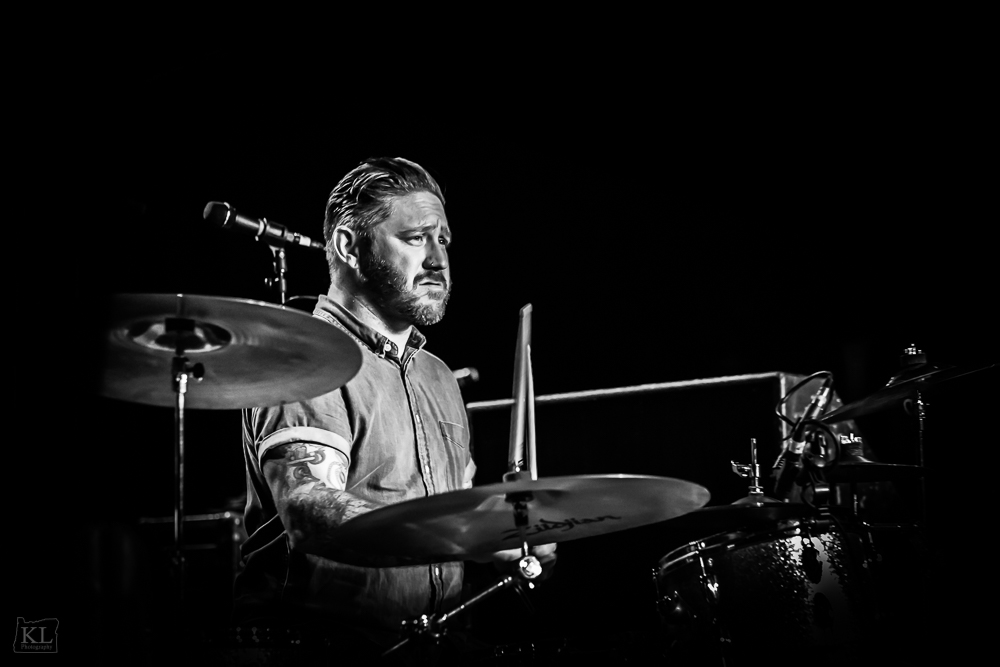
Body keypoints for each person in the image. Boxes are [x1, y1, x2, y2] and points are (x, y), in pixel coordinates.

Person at [231, 157, 555, 661]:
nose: (438, 261)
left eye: (443, 240)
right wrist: (457, 535)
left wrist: (505, 535)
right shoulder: (306, 356)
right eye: (415, 238)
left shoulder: (438, 375)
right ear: (348, 246)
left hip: (435, 641)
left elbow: (457, 512)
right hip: (322, 651)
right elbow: (310, 511)